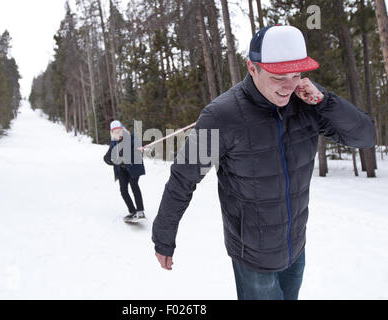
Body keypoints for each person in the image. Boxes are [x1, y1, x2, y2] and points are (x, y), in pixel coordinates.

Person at [152, 25, 375, 300]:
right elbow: (182, 179)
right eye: (279, 77)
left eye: (296, 75)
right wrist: (164, 236)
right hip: (253, 256)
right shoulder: (222, 116)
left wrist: (325, 101)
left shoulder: (307, 103)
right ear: (252, 67)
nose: (289, 86)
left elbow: (365, 137)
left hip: (295, 246)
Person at [104, 120, 146, 222]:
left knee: (134, 186)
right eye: (115, 132)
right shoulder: (113, 142)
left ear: (123, 130)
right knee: (123, 190)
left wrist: (139, 149)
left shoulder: (130, 137)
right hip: (121, 169)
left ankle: (140, 211)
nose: (118, 134)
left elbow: (136, 147)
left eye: (119, 131)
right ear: (112, 133)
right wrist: (112, 160)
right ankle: (132, 211)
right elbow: (107, 157)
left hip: (133, 167)